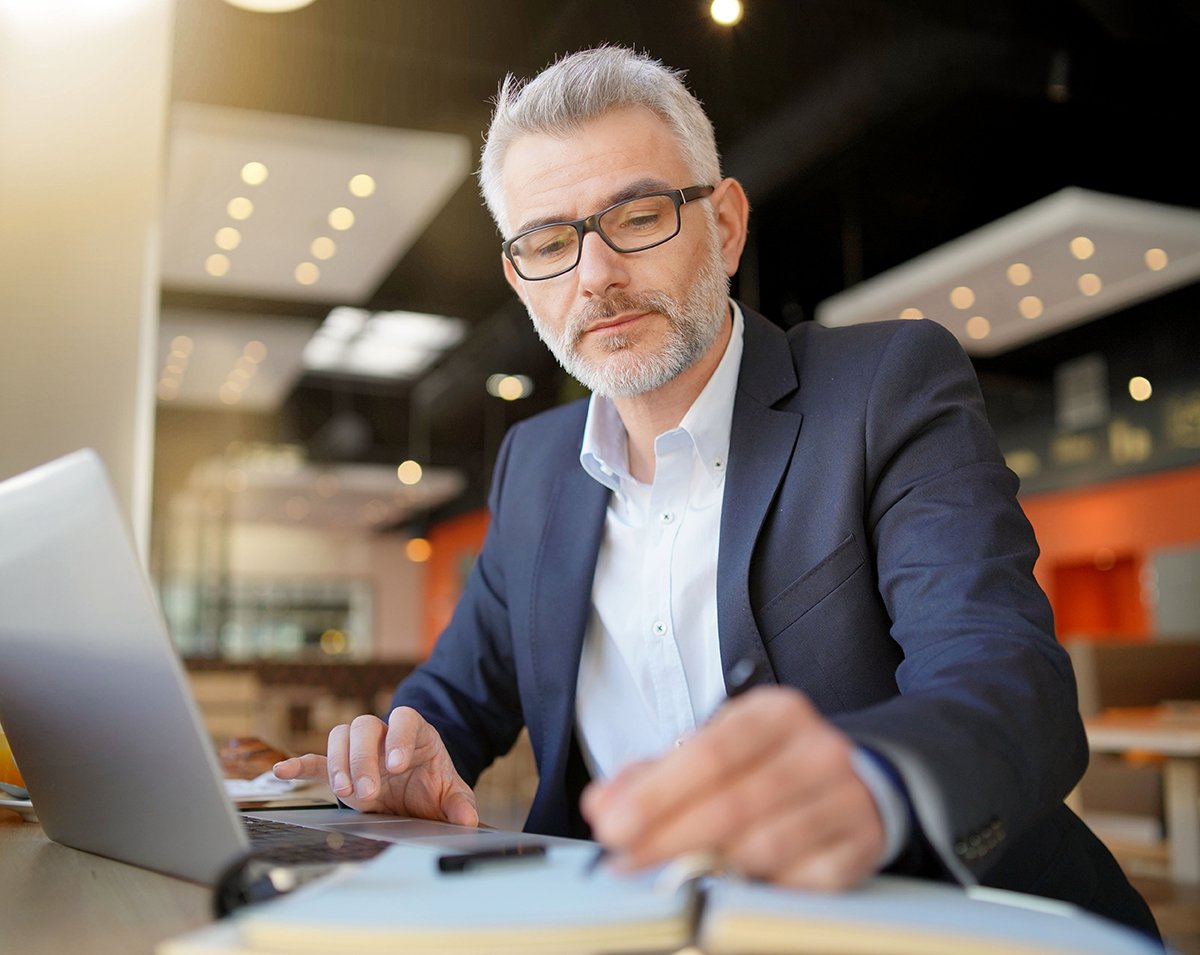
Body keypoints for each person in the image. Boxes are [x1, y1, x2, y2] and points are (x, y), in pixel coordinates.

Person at [276, 45, 1159, 940]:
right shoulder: (534, 464)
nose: (595, 275)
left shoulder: (884, 387)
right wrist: (400, 749)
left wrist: (873, 785)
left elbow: (1008, 680)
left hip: (941, 923)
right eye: (549, 242)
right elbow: (459, 696)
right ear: (521, 278)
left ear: (726, 224)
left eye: (639, 215)